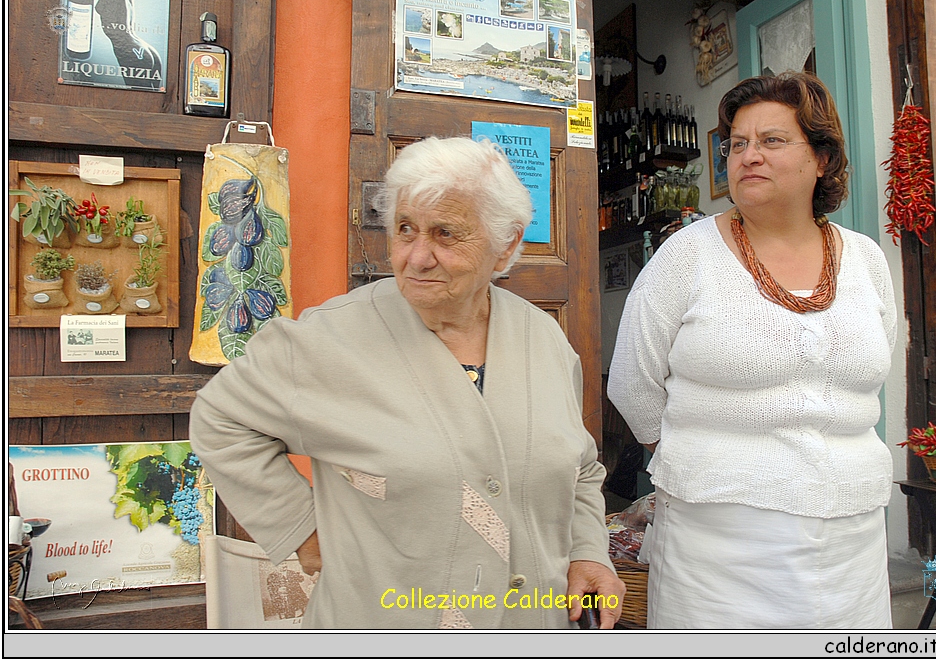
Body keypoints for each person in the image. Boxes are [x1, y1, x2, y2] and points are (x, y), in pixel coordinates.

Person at [190, 136, 624, 629]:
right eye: (405, 230)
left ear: (505, 246)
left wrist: (588, 552)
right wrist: (302, 527)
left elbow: (581, 469)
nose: (417, 257)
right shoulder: (327, 339)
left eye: (445, 234)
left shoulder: (543, 338)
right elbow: (218, 419)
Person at [608, 72, 897, 629]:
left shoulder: (865, 261)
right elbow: (632, 381)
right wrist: (710, 457)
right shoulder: (687, 256)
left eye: (772, 140)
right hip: (717, 541)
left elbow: (869, 367)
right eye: (737, 144)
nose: (748, 156)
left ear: (821, 158)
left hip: (852, 537)